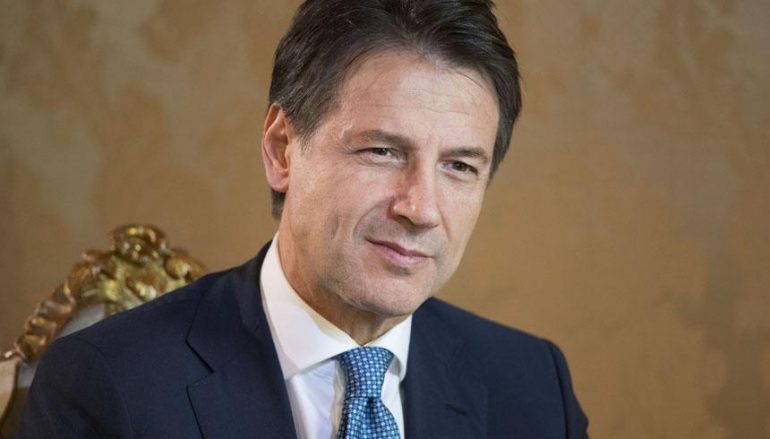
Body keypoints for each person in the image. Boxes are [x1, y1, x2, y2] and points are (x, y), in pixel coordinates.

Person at [19, 0, 589, 438]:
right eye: (382, 151)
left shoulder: (533, 385)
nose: (420, 209)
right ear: (282, 150)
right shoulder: (110, 383)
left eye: (460, 166)